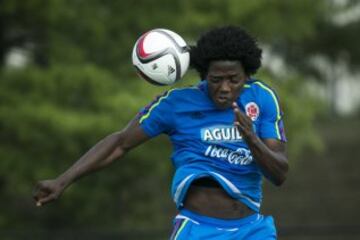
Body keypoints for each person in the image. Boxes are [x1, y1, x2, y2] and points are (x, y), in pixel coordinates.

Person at [33, 26, 289, 239]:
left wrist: (251, 139)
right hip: (198, 230)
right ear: (204, 75)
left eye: (233, 79)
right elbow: (120, 143)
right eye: (215, 79)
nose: (224, 88)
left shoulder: (263, 98)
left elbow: (279, 173)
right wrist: (62, 181)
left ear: (247, 75)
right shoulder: (176, 104)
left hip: (253, 230)